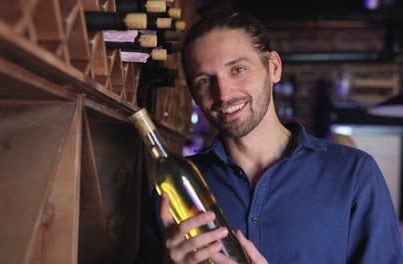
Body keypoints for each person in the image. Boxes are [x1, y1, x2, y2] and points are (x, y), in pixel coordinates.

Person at [136, 8, 403, 264]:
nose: (224, 93)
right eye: (204, 80)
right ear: (194, 94)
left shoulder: (353, 174)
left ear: (273, 67)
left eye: (237, 69)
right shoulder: (175, 191)